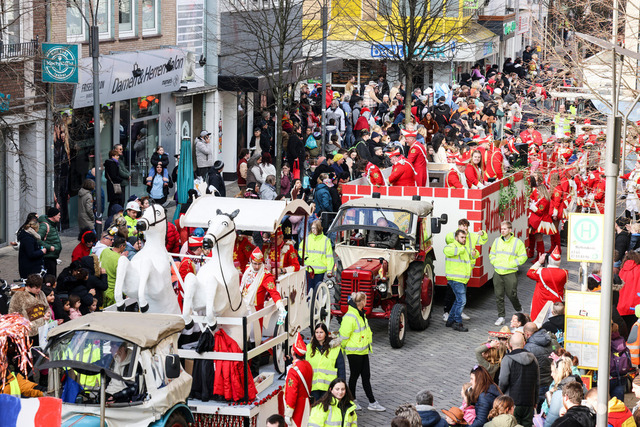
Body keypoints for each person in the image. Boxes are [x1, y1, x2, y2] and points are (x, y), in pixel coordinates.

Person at [338, 291, 385, 412]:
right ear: (362, 302)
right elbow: (343, 336)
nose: (366, 302)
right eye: (365, 300)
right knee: (354, 376)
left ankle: (372, 402)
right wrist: (342, 350)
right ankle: (352, 400)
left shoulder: (360, 314)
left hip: (362, 351)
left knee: (366, 376)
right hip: (354, 353)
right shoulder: (351, 316)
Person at [443, 219, 488, 323]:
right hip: (455, 273)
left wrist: (483, 233)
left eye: (466, 226)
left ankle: (455, 315)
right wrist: (459, 235)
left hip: (465, 272)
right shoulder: (454, 236)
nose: (465, 228)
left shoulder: (471, 236)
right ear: (459, 227)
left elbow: (483, 240)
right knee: (453, 295)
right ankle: (448, 314)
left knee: (460, 298)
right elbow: (448, 241)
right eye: (463, 226)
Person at [489, 221, 527, 326]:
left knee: (511, 294)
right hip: (498, 272)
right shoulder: (497, 241)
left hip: (510, 273)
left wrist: (512, 264)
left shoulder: (517, 242)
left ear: (510, 230)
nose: (502, 231)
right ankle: (501, 316)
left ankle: (519, 309)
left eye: (505, 229)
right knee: (498, 296)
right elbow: (492, 254)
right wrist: (494, 262)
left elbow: (523, 256)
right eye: (501, 229)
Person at [498, 332, 539, 427]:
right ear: (524, 343)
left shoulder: (507, 359)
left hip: (512, 402)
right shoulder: (533, 359)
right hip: (529, 401)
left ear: (510, 344)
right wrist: (535, 400)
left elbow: (503, 381)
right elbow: (537, 382)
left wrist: (500, 394)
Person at [443, 229, 477, 332]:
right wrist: (461, 249)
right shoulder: (452, 246)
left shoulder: (464, 247)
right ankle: (457, 322)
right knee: (462, 301)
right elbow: (447, 251)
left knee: (458, 300)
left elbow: (472, 257)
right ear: (456, 237)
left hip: (462, 279)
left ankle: (450, 321)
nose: (464, 239)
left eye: (465, 237)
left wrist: (474, 254)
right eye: (462, 237)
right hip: (455, 279)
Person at [306, 323, 345, 403]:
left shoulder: (335, 349)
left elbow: (341, 369)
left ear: (326, 334)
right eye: (317, 332)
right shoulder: (309, 348)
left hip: (329, 387)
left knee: (327, 408)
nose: (319, 335)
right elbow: (302, 363)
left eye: (321, 332)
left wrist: (341, 385)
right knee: (315, 408)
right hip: (314, 387)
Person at [8, 274, 52, 345]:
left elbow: (47, 308)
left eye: (40, 287)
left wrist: (48, 314)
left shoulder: (41, 293)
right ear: (29, 286)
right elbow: (12, 315)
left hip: (42, 330)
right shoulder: (19, 296)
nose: (39, 290)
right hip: (29, 334)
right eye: (36, 288)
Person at [527, 247, 567, 321]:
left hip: (541, 301)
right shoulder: (564, 273)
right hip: (556, 301)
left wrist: (539, 262)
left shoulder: (541, 271)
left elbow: (529, 273)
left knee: (537, 321)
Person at [284, 333, 313, 427]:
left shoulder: (293, 370)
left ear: (293, 352)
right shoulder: (308, 364)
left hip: (297, 408)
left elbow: (292, 392)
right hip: (306, 403)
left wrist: (288, 413)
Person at [522, 322, 553, 408]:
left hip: (537, 384)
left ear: (527, 334)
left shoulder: (528, 348)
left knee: (538, 409)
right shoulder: (550, 341)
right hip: (550, 381)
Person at [300, 220, 334, 292]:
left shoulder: (325, 240)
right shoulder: (307, 239)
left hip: (320, 270)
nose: (313, 230)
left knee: (318, 290)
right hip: (309, 269)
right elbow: (301, 250)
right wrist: (306, 257)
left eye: (315, 228)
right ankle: (310, 299)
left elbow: (329, 257)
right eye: (312, 228)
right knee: (309, 290)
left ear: (319, 228)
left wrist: (329, 270)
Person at [99, 235, 127, 307]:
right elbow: (122, 277)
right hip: (113, 292)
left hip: (103, 288)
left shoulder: (105, 251)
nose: (125, 248)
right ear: (121, 246)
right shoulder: (119, 260)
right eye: (125, 246)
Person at [38, 207, 62, 277]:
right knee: (50, 278)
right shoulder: (45, 226)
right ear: (54, 216)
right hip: (48, 257)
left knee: (52, 277)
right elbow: (37, 239)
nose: (60, 217)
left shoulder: (53, 225)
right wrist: (49, 247)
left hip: (52, 256)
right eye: (59, 215)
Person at [105, 149, 126, 215]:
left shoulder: (110, 163)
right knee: (115, 202)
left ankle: (112, 215)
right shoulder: (112, 164)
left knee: (113, 202)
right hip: (114, 186)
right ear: (113, 156)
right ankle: (112, 216)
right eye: (117, 156)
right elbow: (114, 176)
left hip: (111, 185)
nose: (118, 157)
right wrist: (121, 179)